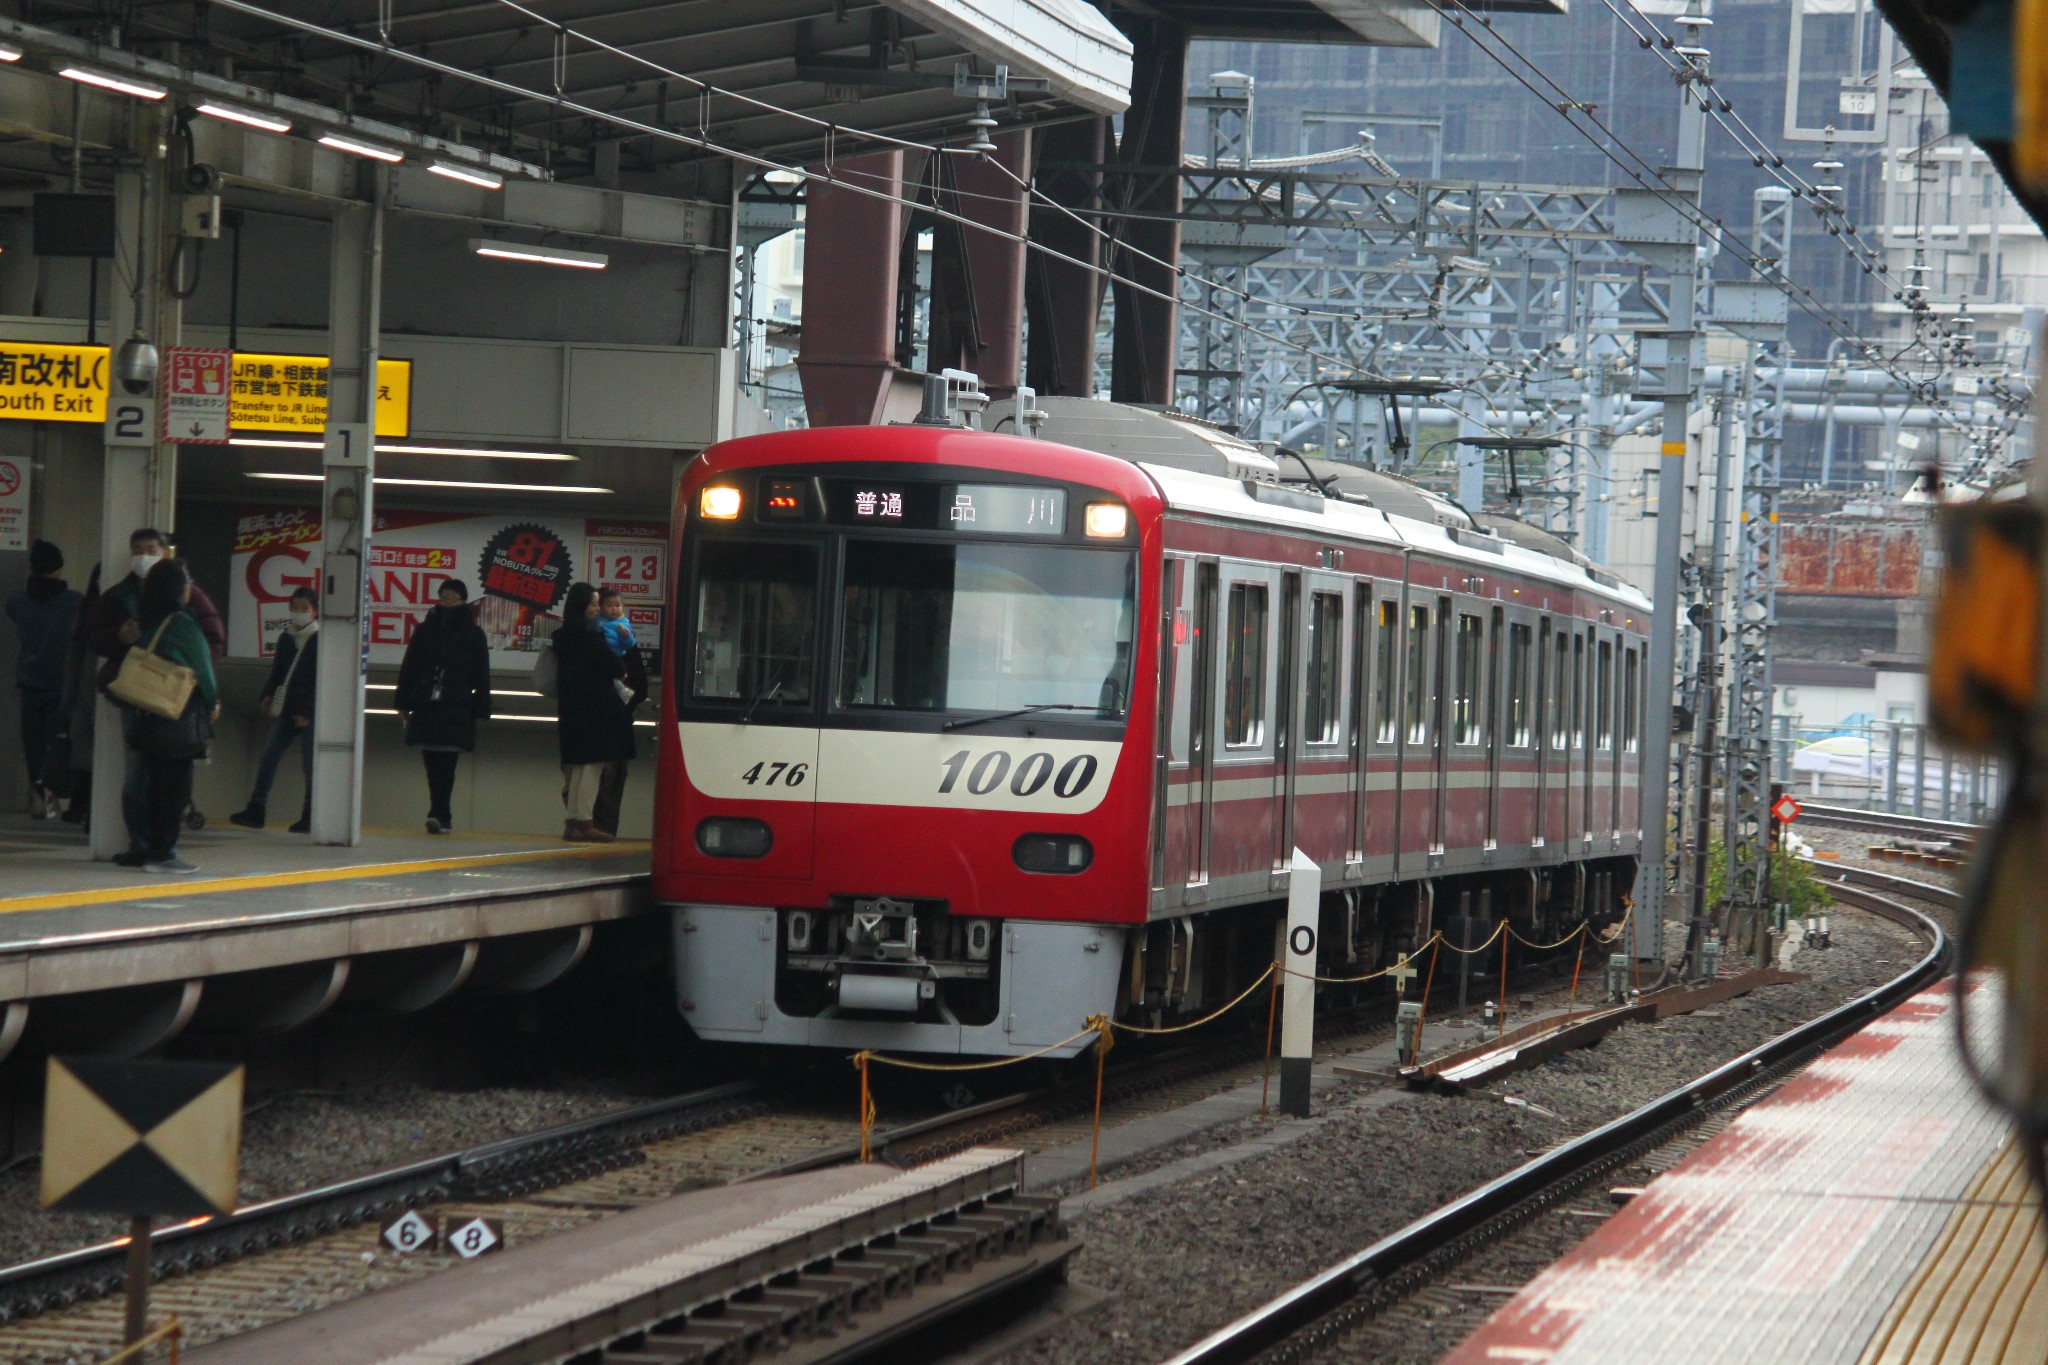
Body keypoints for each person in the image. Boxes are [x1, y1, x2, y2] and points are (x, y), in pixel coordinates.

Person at [111, 559, 218, 873]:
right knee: (174, 788)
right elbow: (204, 668)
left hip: (143, 712)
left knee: (145, 784)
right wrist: (213, 702)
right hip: (174, 715)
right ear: (179, 588)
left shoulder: (144, 620)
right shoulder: (181, 622)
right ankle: (162, 854)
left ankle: (142, 848)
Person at [396, 579, 492, 834]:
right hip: (428, 704)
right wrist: (402, 701)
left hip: (456, 705)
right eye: (444, 597)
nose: (448, 602)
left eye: (453, 598)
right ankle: (439, 813)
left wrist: (482, 705)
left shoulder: (473, 634)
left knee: (447, 763)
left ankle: (440, 813)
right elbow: (410, 667)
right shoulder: (425, 630)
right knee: (431, 761)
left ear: (463, 601)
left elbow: (482, 673)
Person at [230, 586, 319, 833]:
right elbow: (278, 672)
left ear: (315, 612)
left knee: (311, 765)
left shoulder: (320, 639)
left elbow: (320, 679)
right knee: (268, 756)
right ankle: (256, 809)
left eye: (304, 608)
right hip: (287, 709)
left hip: (307, 713)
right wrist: (267, 694)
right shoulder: (286, 637)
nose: (298, 612)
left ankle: (310, 815)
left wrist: (308, 712)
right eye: (295, 607)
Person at [550, 582, 633, 843]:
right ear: (582, 606)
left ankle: (573, 820)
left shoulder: (563, 637)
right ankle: (584, 821)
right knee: (594, 764)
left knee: (577, 765)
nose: (598, 609)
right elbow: (615, 666)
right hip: (596, 708)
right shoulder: (589, 638)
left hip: (572, 708)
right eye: (595, 604)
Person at [7, 540, 83, 818]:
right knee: (58, 744)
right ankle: (55, 792)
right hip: (60, 683)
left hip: (29, 681)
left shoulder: (17, 600)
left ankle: (41, 796)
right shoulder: (74, 601)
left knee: (34, 744)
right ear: (59, 569)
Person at [591, 594, 647, 838]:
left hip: (600, 720)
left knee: (604, 781)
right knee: (609, 782)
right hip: (613, 721)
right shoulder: (594, 636)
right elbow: (640, 686)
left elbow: (640, 686)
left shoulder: (618, 635)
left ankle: (596, 830)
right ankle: (602, 832)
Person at [596, 588, 637, 658]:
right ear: (601, 608)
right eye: (609, 606)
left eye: (617, 605)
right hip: (598, 656)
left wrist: (626, 637)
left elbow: (628, 645)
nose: (614, 609)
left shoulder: (624, 623)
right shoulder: (597, 618)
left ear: (622, 607)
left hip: (615, 657)